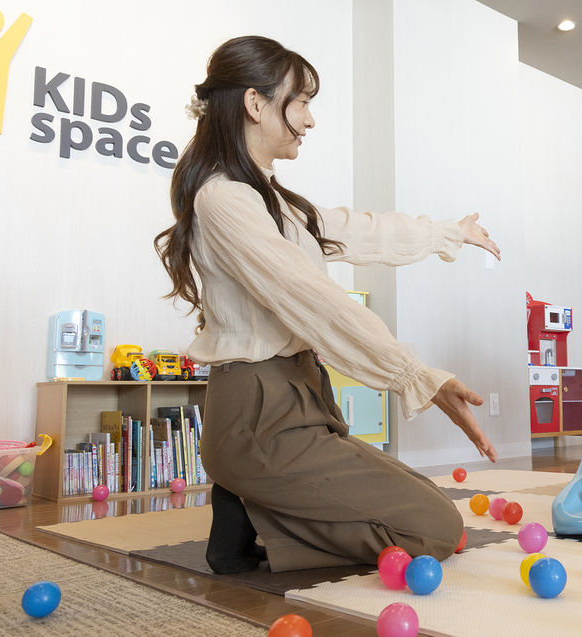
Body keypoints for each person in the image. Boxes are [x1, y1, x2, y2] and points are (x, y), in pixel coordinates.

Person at [154, 36, 499, 574]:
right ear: (255, 104)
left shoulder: (274, 199)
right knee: (437, 529)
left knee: (423, 499)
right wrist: (415, 374)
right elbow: (313, 300)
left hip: (303, 397)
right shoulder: (224, 199)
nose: (310, 121)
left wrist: (449, 232)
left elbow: (358, 230)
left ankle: (248, 509)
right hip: (258, 411)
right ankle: (250, 502)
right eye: (302, 102)